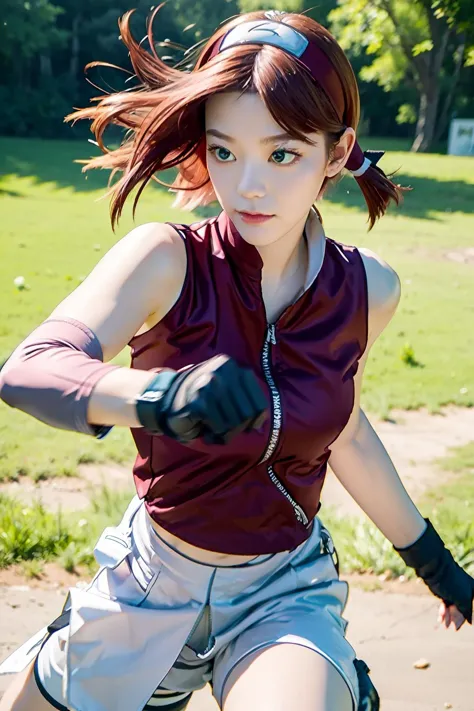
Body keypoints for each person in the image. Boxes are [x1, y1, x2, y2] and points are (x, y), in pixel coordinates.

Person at [0, 8, 472, 711]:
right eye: (224, 151)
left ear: (337, 153)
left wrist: (437, 564)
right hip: (151, 581)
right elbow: (30, 367)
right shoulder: (166, 259)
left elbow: (346, 432)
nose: (249, 185)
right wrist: (159, 395)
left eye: (283, 154)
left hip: (282, 591)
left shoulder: (369, 288)